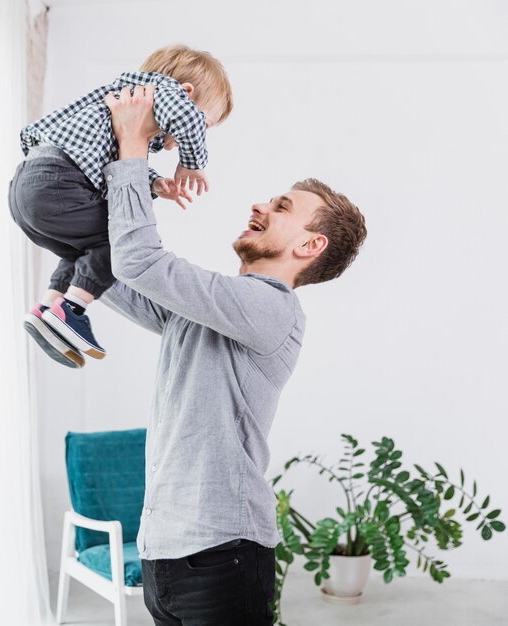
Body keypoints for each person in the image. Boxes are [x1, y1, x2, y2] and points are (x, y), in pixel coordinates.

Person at [92, 84, 368, 625]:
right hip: (164, 553)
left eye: (281, 207)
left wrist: (133, 147)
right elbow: (115, 273)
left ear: (311, 246)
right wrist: (63, 203)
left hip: (222, 556)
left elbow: (139, 262)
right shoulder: (212, 309)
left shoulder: (272, 309)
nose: (260, 205)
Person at [7, 45, 232, 368]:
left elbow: (107, 156)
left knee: (84, 250)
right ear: (185, 92)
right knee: (122, 242)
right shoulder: (163, 93)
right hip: (56, 183)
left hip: (28, 188)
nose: (196, 132)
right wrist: (191, 163)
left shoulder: (126, 103)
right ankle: (72, 311)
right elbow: (185, 118)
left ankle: (49, 309)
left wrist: (154, 182)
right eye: (205, 123)